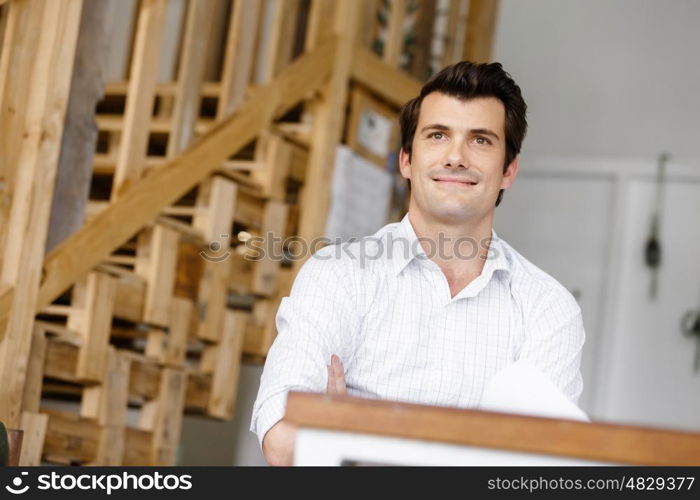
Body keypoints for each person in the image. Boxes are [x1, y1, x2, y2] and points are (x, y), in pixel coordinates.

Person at [250, 61, 585, 466]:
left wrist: (345, 436)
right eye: (438, 135)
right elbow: (282, 445)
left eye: (480, 140)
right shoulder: (337, 275)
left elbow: (538, 468)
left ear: (508, 170)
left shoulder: (548, 310)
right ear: (406, 160)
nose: (456, 157)